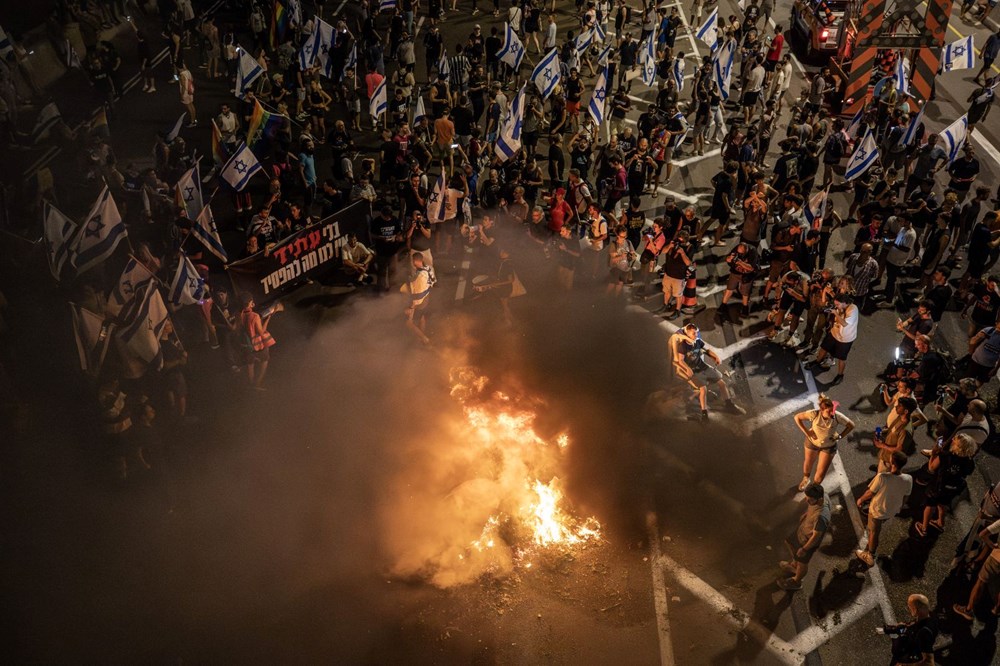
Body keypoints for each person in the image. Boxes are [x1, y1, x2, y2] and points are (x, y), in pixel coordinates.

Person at [669, 324, 746, 420]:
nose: (696, 335)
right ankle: (704, 414)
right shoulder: (682, 346)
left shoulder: (698, 342)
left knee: (722, 383)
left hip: (703, 366)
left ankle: (729, 405)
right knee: (703, 389)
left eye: (696, 333)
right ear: (688, 334)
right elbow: (680, 360)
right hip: (693, 370)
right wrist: (687, 369)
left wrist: (715, 357)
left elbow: (706, 351)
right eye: (693, 333)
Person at [856, 451, 912, 567]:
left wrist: (860, 499)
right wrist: (899, 506)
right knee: (877, 528)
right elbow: (906, 496)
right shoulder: (908, 478)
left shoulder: (883, 477)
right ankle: (870, 548)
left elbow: (870, 492)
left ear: (892, 462)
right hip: (892, 510)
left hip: (878, 510)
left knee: (874, 532)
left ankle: (870, 555)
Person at [914, 433, 977, 537]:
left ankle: (924, 528)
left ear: (958, 446)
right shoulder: (970, 462)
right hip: (954, 488)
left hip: (938, 486)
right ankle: (940, 522)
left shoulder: (945, 456)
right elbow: (966, 473)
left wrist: (934, 453)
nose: (952, 440)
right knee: (943, 503)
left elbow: (931, 468)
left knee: (930, 505)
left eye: (955, 440)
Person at [776, 482, 831, 591]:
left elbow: (816, 536)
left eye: (810, 499)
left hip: (807, 541)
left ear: (818, 499)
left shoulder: (821, 517)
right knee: (789, 542)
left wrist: (804, 549)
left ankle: (797, 581)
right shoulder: (822, 496)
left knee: (802, 562)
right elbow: (812, 508)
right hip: (802, 530)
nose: (807, 501)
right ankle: (794, 564)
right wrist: (806, 515)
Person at [794, 395, 855, 490]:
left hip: (828, 446)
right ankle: (806, 478)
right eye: (829, 411)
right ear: (822, 410)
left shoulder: (837, 416)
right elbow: (797, 417)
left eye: (833, 410)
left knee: (821, 473)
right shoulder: (814, 414)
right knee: (808, 463)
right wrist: (807, 432)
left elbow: (851, 425)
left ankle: (814, 489)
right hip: (812, 443)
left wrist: (840, 436)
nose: (832, 413)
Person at [807, 293, 859, 384]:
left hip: (845, 338)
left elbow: (844, 324)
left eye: (838, 304)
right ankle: (817, 361)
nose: (836, 306)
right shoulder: (840, 307)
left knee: (841, 358)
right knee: (824, 347)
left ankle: (840, 375)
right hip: (835, 333)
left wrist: (835, 313)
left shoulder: (853, 309)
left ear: (844, 303)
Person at [885, 594, 937, 666]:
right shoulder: (926, 617)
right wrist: (906, 625)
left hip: (908, 660)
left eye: (910, 607)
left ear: (915, 609)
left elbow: (929, 662)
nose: (909, 609)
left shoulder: (924, 633)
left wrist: (903, 665)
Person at [240, 295, 279, 390]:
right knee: (265, 361)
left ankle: (250, 384)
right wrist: (268, 318)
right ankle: (257, 384)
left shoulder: (239, 314)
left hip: (246, 344)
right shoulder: (255, 316)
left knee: (250, 364)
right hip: (257, 345)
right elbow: (261, 332)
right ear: (250, 303)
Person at [402, 252, 435, 345]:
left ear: (415, 261)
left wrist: (411, 307)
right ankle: (420, 339)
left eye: (412, 260)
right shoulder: (429, 268)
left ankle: (424, 339)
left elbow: (417, 295)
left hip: (420, 301)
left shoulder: (419, 277)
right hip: (427, 298)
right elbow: (433, 282)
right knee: (422, 317)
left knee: (408, 323)